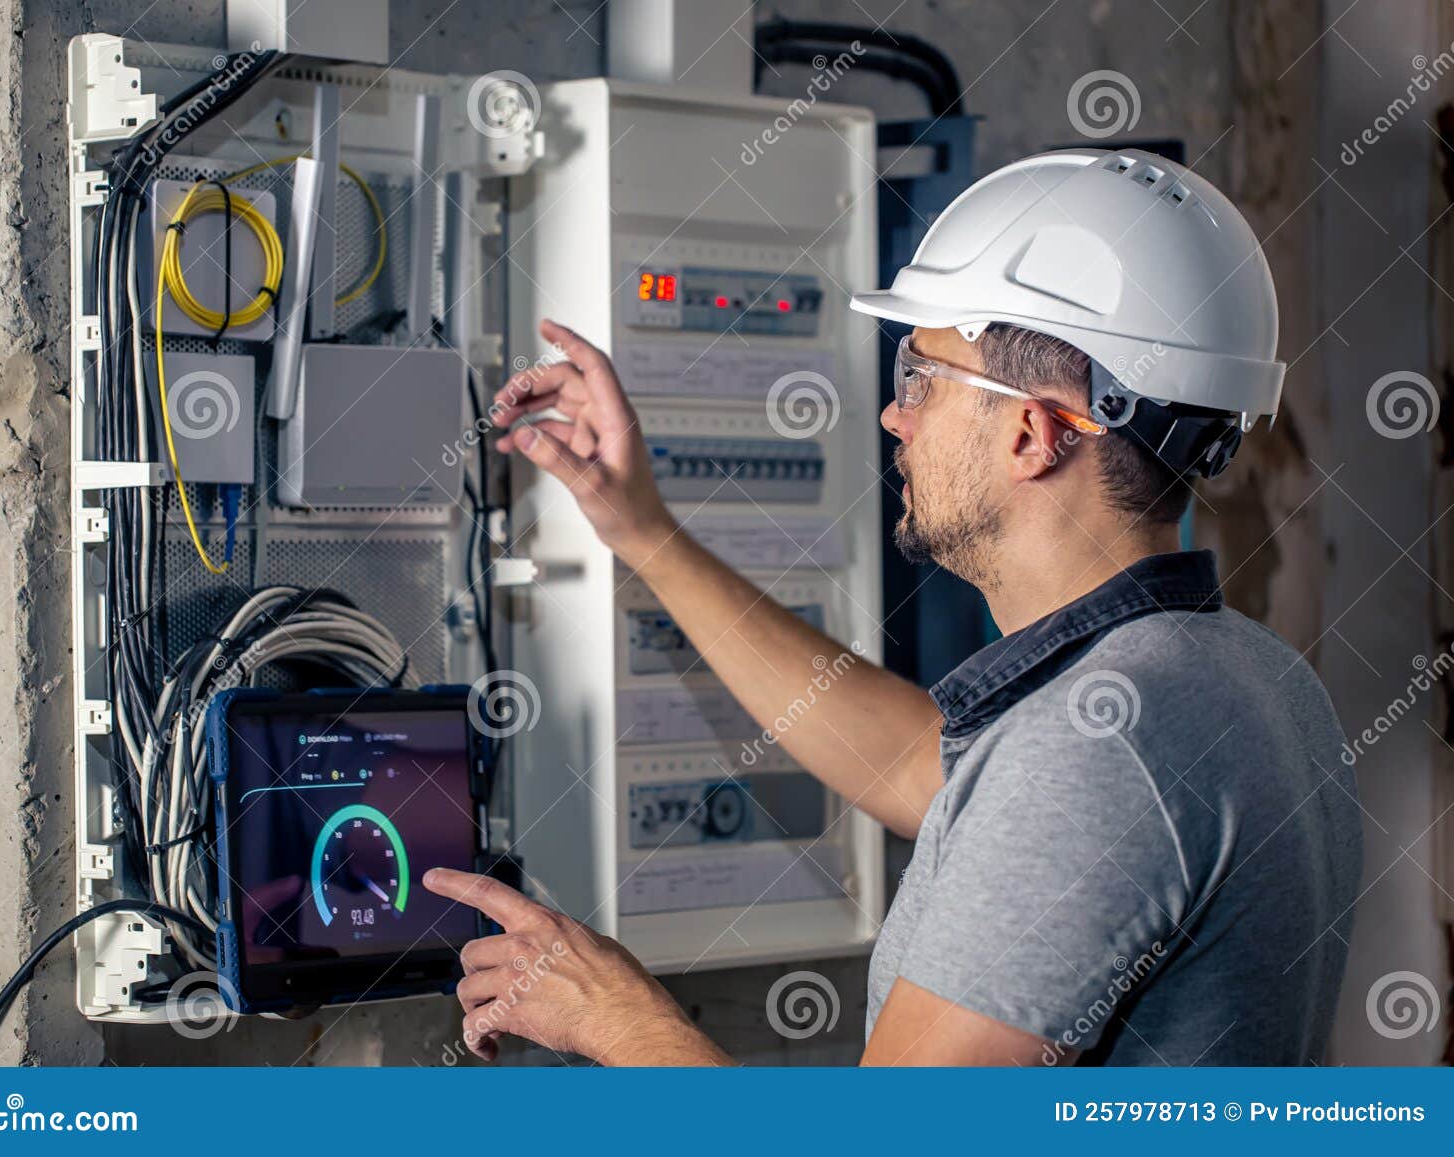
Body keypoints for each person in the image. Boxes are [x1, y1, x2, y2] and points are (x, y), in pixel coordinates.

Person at [424, 149, 1363, 1066]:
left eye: (922, 378)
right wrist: (647, 533)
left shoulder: (1090, 752)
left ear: (1032, 433)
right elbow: (924, 766)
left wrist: (616, 1016)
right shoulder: (1237, 675)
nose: (895, 415)